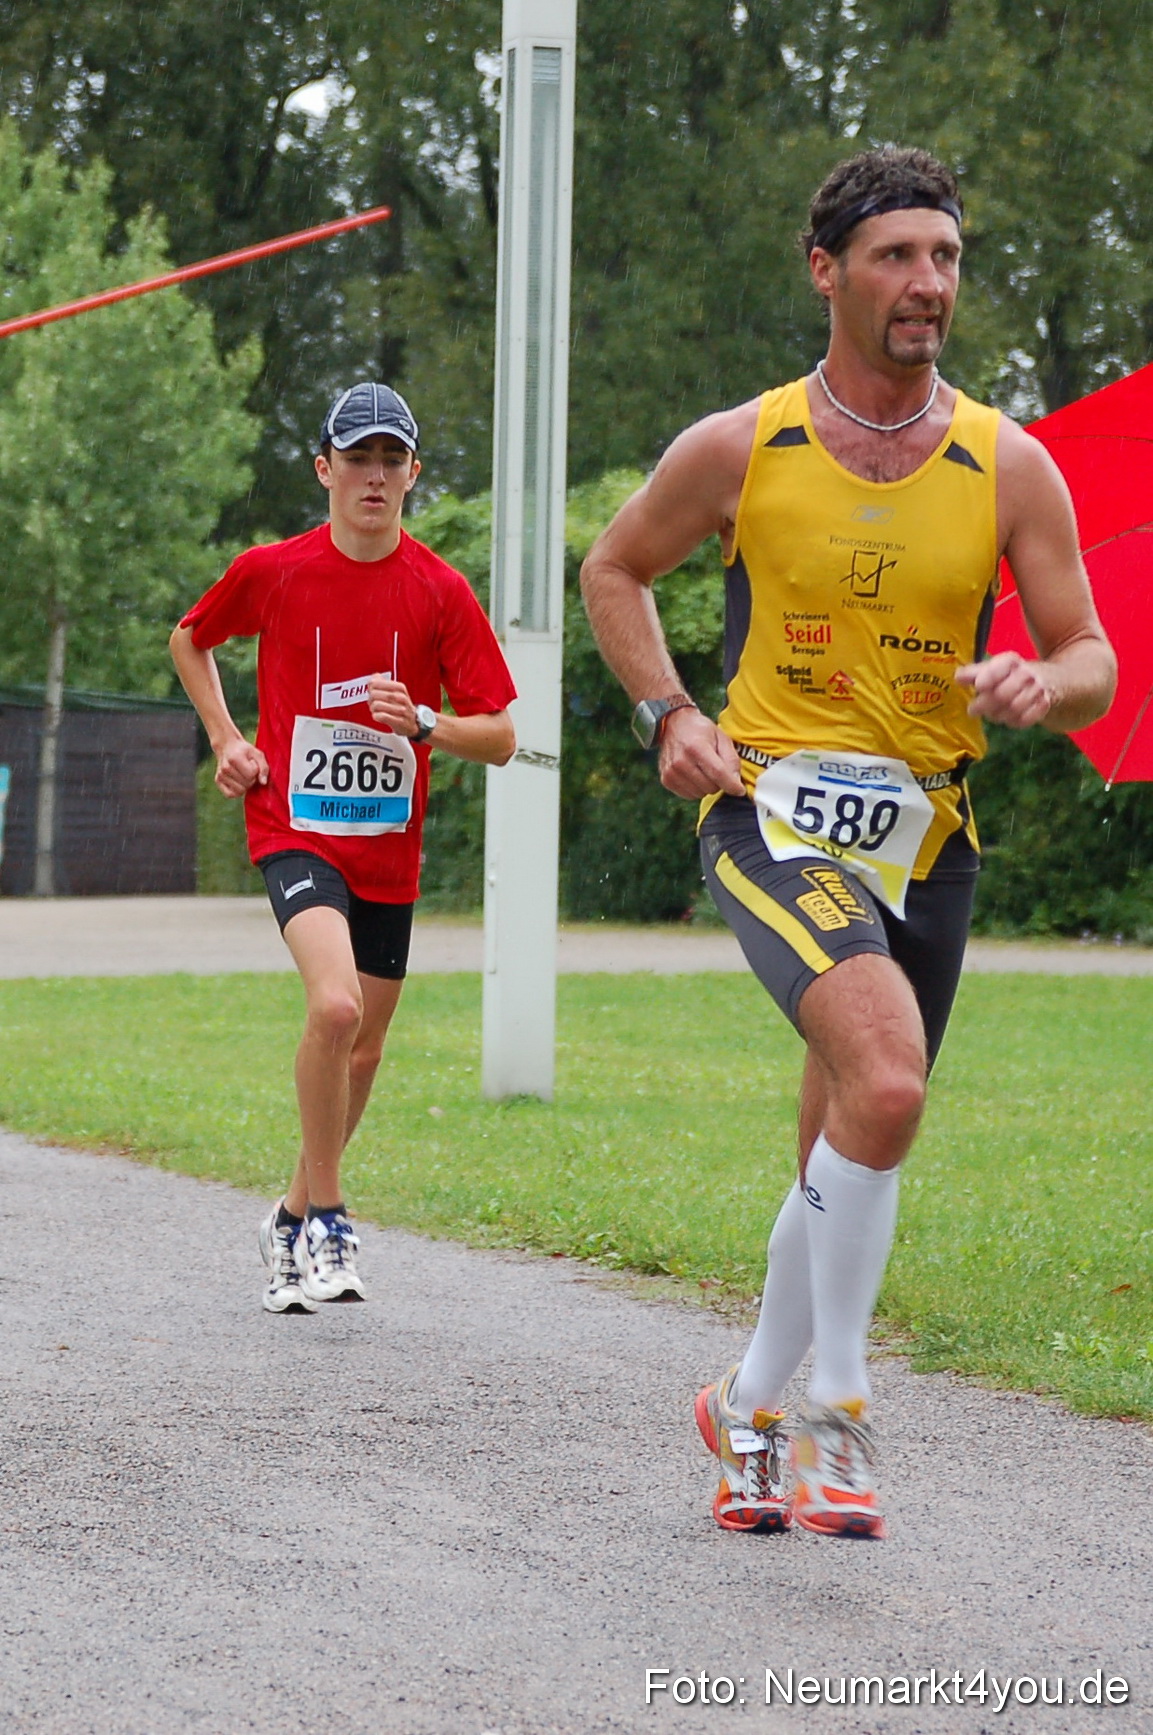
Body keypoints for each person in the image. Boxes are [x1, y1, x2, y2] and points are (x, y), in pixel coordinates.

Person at [580, 148, 1115, 1539]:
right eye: (895, 256)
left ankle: (746, 1400)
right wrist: (666, 711)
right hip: (767, 812)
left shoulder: (1008, 463)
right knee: (885, 1078)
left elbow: (1092, 656)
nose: (927, 282)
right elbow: (613, 567)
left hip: (927, 837)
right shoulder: (741, 445)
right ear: (826, 271)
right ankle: (835, 1408)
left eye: (945, 256)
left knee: (856, 1123)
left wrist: (1041, 682)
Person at [171, 382, 516, 1313]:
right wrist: (228, 739)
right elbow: (190, 640)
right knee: (334, 1007)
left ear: (413, 474)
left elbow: (500, 735)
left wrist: (429, 722)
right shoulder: (273, 570)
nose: (374, 475)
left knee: (361, 1052)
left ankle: (287, 1218)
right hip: (293, 827)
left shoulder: (440, 590)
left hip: (387, 850)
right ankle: (329, 1216)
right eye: (357, 458)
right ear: (324, 469)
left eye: (390, 459)